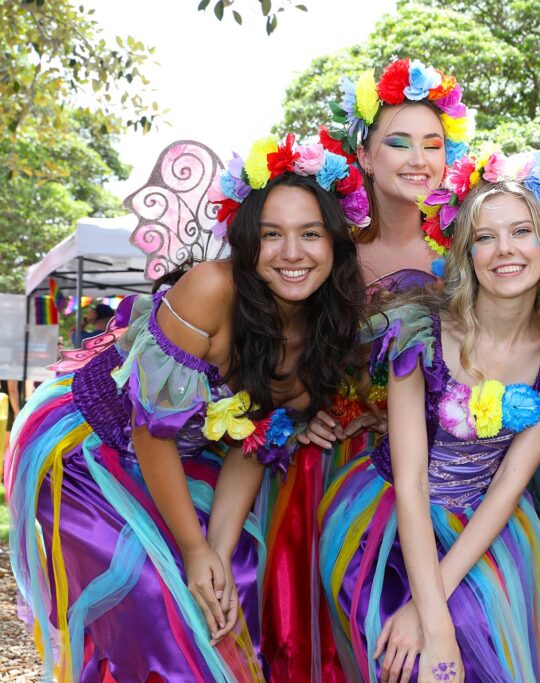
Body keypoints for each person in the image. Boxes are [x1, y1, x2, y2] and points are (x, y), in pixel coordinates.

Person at [5, 132, 366, 682]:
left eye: (310, 234)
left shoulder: (328, 330)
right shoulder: (210, 289)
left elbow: (254, 444)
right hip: (95, 446)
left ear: (336, 244)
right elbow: (151, 431)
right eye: (272, 235)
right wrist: (194, 553)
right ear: (247, 242)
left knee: (235, 575)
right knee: (156, 585)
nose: (292, 253)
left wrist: (216, 553)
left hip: (193, 457)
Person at [318, 151, 540, 682]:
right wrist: (430, 623)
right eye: (484, 237)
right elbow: (413, 482)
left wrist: (434, 611)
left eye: (521, 231)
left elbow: (510, 484)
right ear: (465, 254)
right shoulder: (419, 333)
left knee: (473, 636)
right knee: (398, 654)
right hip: (388, 520)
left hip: (486, 521)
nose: (504, 250)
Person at [260, 58, 476, 680]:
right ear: (364, 152)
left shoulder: (469, 249)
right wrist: (296, 415)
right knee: (348, 644)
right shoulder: (328, 248)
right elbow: (276, 349)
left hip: (444, 474)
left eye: (433, 144)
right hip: (336, 473)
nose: (418, 158)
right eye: (398, 142)